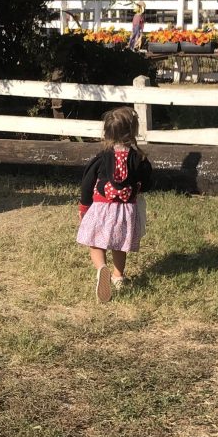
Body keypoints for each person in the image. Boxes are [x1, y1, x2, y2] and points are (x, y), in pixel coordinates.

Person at [77, 106, 152, 303]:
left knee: (95, 241)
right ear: (133, 131)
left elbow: (87, 184)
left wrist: (84, 207)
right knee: (119, 244)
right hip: (126, 209)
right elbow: (149, 180)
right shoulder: (138, 158)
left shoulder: (102, 158)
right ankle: (118, 276)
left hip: (101, 207)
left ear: (107, 132)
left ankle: (101, 268)